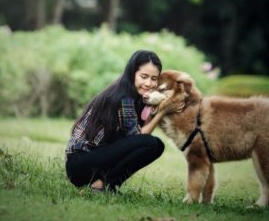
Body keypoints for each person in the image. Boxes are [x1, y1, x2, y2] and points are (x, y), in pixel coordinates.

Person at [65, 50, 184, 193]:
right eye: (144, 76)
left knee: (157, 145)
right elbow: (138, 138)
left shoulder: (137, 97)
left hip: (96, 158)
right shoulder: (123, 98)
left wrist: (154, 105)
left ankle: (105, 184)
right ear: (132, 73)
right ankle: (102, 184)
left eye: (154, 78)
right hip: (79, 164)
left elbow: (135, 140)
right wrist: (163, 111)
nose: (149, 83)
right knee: (151, 143)